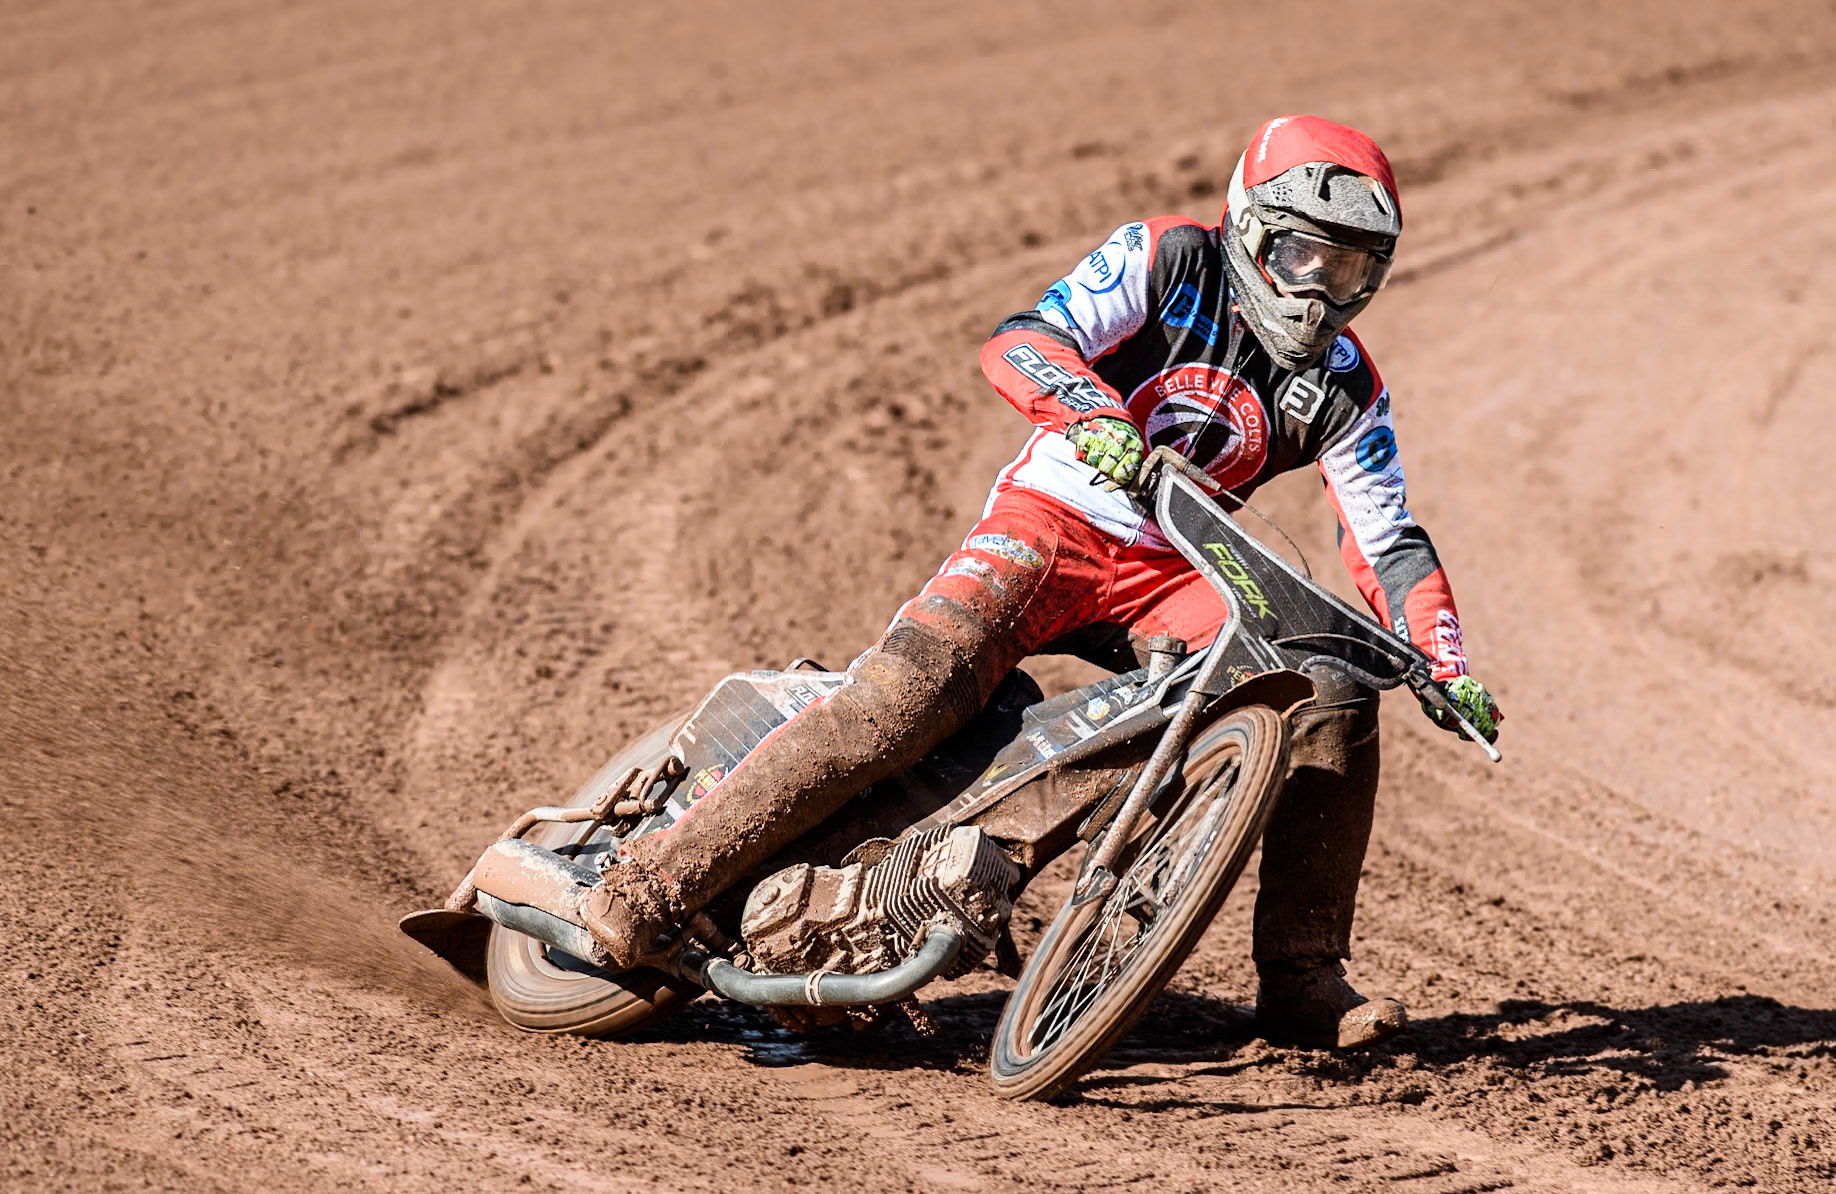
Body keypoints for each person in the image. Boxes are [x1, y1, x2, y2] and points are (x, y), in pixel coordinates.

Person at [584, 115, 1502, 1050]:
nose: (1317, 294)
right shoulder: (1168, 259)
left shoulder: (1347, 386)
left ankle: (1305, 975)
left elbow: (1389, 541)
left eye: (1347, 270)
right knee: (907, 698)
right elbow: (1025, 337)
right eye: (1303, 256)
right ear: (1250, 226)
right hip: (1051, 521)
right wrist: (1090, 410)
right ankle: (654, 881)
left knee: (1332, 692)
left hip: (1176, 567)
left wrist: (1443, 660)